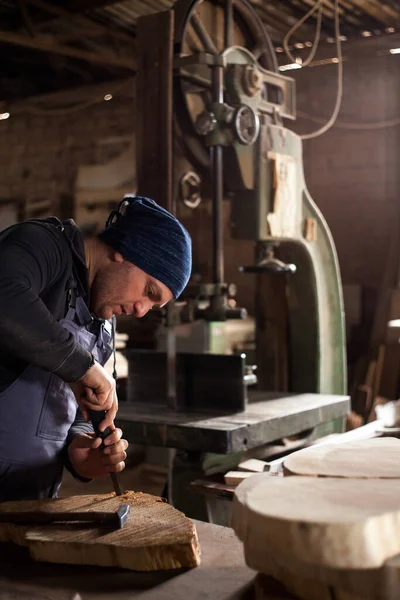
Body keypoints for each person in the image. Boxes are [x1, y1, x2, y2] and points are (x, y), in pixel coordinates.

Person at [0, 196, 192, 502]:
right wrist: (84, 367)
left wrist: (80, 452)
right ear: (126, 251)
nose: (142, 311)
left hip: (32, 503)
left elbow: (79, 412)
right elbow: (6, 297)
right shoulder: (43, 246)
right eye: (149, 291)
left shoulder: (104, 323)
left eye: (154, 305)